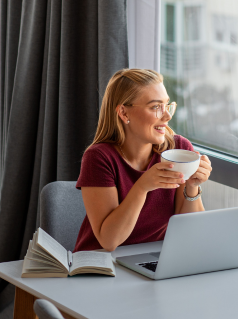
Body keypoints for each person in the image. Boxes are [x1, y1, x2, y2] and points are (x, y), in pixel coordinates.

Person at [74, 69, 212, 252]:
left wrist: (192, 186)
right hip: (100, 265)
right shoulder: (99, 158)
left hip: (153, 259)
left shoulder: (179, 149)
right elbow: (109, 241)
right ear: (124, 113)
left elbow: (192, 231)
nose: (167, 116)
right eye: (156, 107)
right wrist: (142, 187)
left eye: (167, 105)